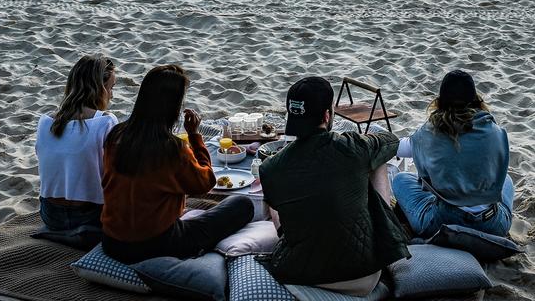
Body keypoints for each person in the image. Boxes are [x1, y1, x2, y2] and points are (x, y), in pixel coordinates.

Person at [260, 77, 410, 294]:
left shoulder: (270, 167)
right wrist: (359, 143)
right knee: (376, 161)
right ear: (327, 115)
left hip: (300, 275)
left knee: (273, 196)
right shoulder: (353, 147)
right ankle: (385, 231)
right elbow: (391, 141)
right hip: (364, 274)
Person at [101, 65, 252, 263]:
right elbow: (205, 183)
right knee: (242, 205)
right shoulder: (172, 148)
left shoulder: (116, 135)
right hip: (157, 244)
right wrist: (195, 136)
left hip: (111, 242)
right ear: (173, 107)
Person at [391, 70, 513, 238]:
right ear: (476, 100)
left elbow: (399, 148)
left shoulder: (429, 133)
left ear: (440, 102)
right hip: (492, 226)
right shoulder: (496, 132)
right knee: (506, 180)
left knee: (401, 180)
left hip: (443, 223)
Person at [35, 55, 118, 236]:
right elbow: (114, 176)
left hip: (50, 214)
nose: (111, 95)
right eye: (111, 88)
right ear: (99, 88)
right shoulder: (105, 122)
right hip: (90, 215)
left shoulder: (45, 121)